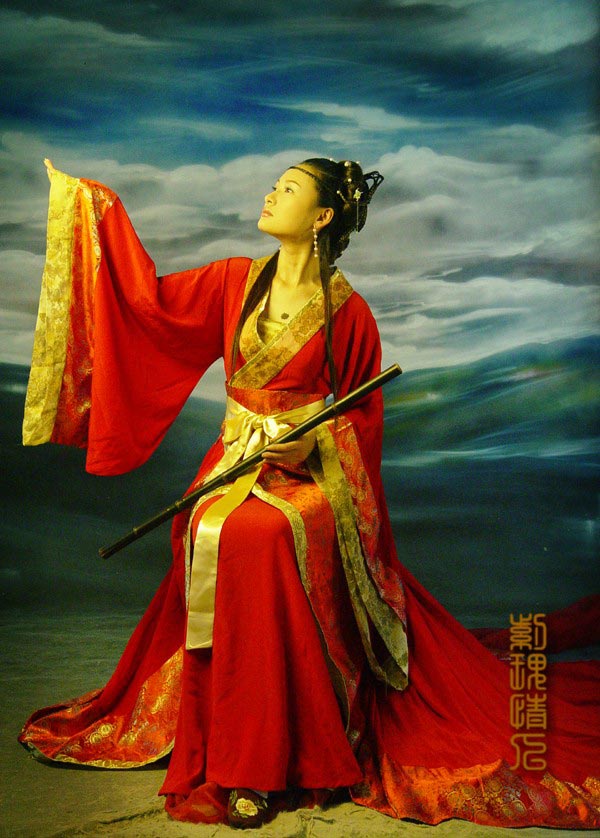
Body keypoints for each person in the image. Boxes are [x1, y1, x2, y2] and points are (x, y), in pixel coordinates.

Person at [19, 157, 599, 830]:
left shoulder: (349, 312)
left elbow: (363, 419)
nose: (271, 194)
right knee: (209, 526)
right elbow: (146, 307)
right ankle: (219, 727)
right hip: (235, 461)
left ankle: (260, 764)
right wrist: (94, 210)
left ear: (322, 216)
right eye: (275, 185)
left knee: (263, 533)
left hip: (312, 476)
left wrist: (314, 443)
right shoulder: (233, 281)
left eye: (288, 189)